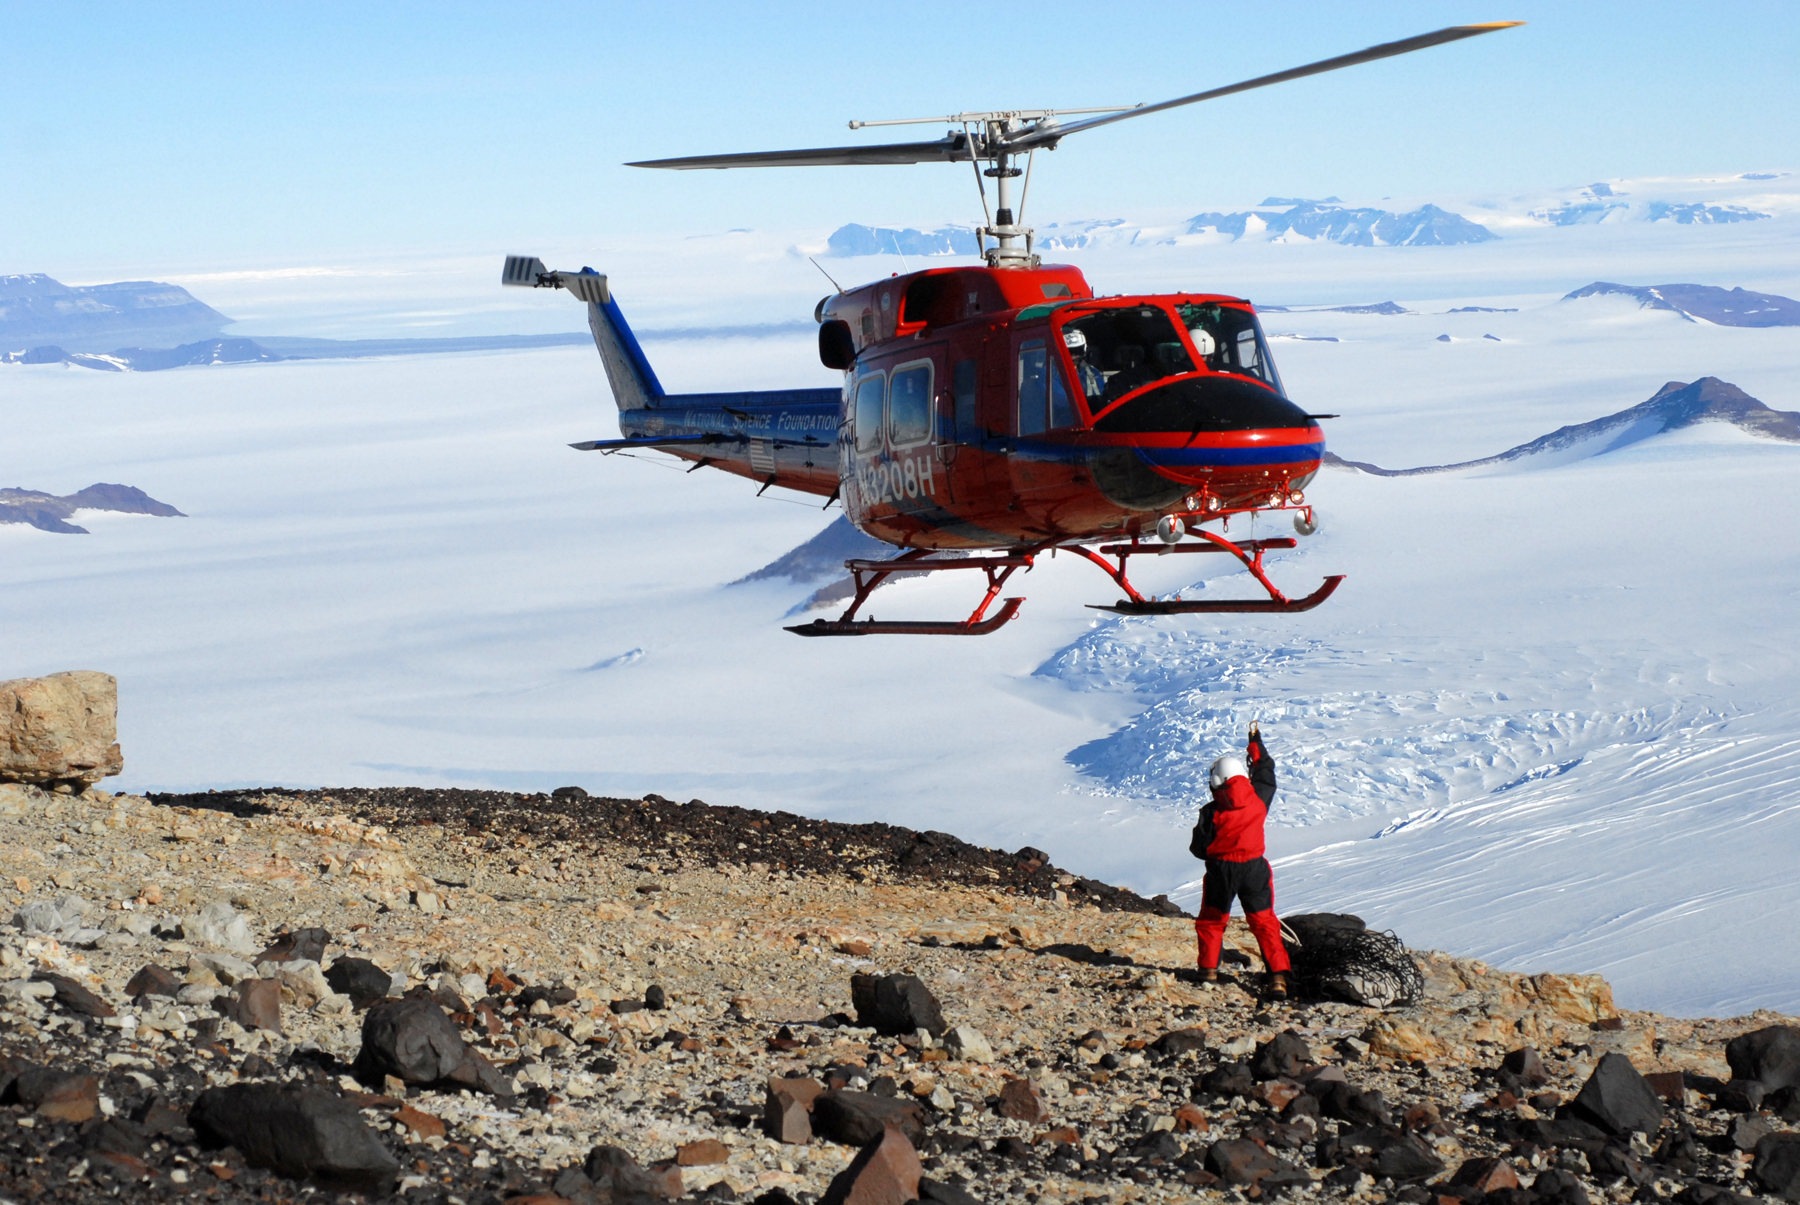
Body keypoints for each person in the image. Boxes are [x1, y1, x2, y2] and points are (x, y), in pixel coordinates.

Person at [1190, 722, 1291, 999]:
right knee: (1264, 922)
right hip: (1255, 869)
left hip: (1222, 871)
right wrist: (1255, 742)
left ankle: (1208, 971)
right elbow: (1266, 771)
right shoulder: (1259, 797)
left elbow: (1199, 848)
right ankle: (1278, 978)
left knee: (1212, 921)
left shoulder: (1210, 812)